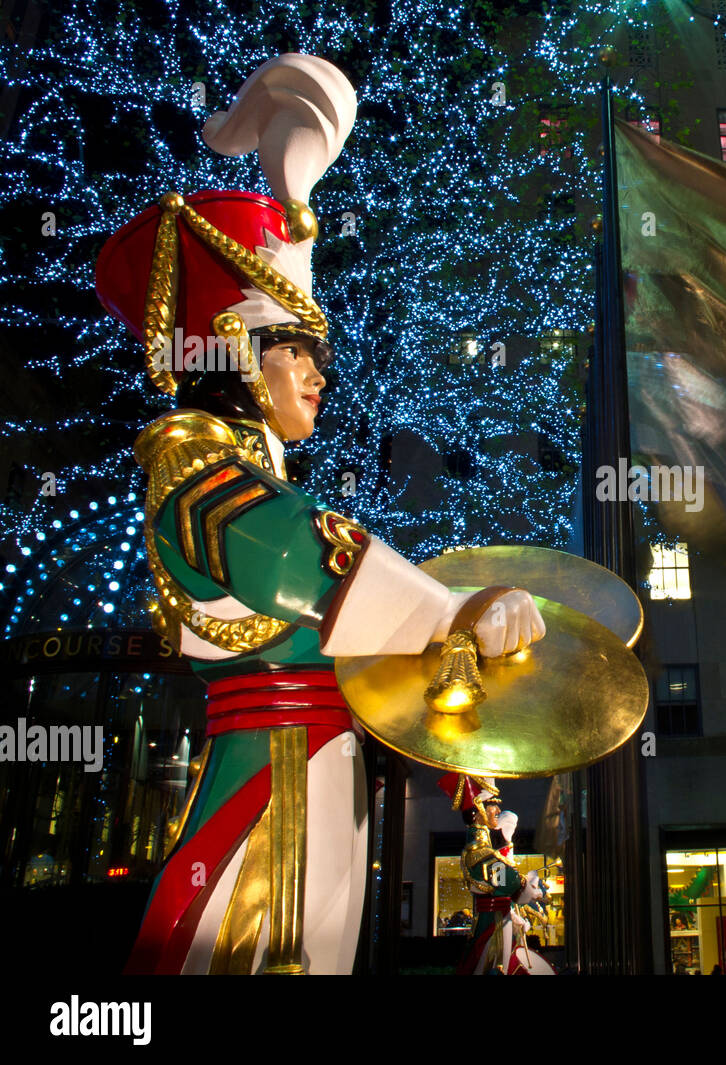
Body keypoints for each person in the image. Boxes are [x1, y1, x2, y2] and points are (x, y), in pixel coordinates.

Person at [104, 55, 545, 975]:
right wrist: (454, 611)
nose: (318, 372)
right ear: (232, 346)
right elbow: (290, 561)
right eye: (295, 347)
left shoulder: (260, 478)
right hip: (261, 814)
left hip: (320, 795)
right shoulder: (194, 472)